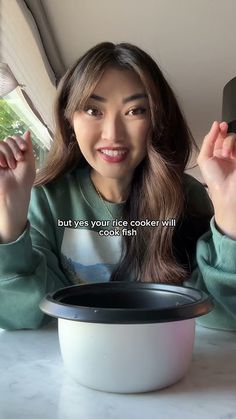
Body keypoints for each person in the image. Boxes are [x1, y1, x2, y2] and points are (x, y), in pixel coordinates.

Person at [0, 42, 235, 331]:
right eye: (92, 109)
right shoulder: (46, 200)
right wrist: (10, 223)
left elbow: (222, 318)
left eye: (135, 110)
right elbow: (21, 316)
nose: (112, 133)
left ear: (157, 120)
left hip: (166, 363)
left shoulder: (186, 196)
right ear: (68, 118)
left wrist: (230, 219)